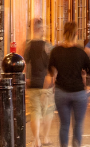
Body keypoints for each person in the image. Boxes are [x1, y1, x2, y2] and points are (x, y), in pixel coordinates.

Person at [48, 21, 90, 147]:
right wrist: (84, 71)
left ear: (64, 32)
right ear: (77, 33)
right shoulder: (80, 52)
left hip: (61, 91)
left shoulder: (56, 51)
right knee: (78, 124)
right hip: (78, 92)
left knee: (64, 124)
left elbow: (51, 70)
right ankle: (76, 144)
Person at [25, 19, 55, 147]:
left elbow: (24, 65)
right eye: (43, 28)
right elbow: (53, 67)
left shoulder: (28, 46)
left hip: (33, 83)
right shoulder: (48, 46)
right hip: (47, 84)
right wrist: (53, 79)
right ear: (40, 29)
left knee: (35, 112)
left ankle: (36, 139)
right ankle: (46, 137)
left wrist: (26, 79)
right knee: (48, 111)